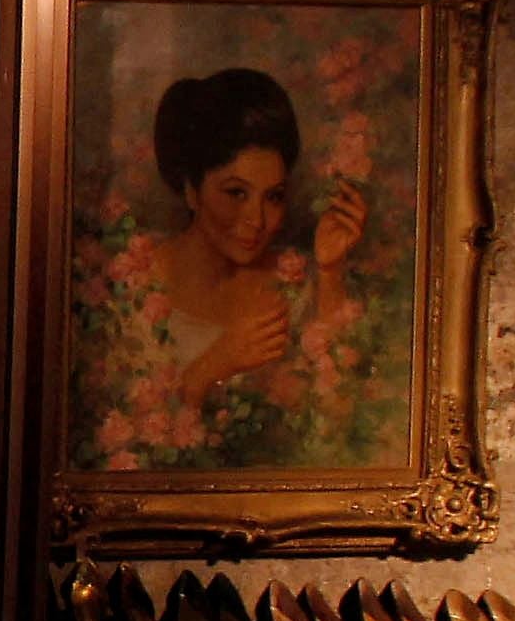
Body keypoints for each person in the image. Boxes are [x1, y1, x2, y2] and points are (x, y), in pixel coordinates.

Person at [146, 67, 365, 408]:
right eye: (236, 193)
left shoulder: (293, 282)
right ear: (191, 190)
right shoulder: (137, 289)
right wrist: (211, 367)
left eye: (273, 197)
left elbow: (339, 419)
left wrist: (331, 271)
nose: (258, 220)